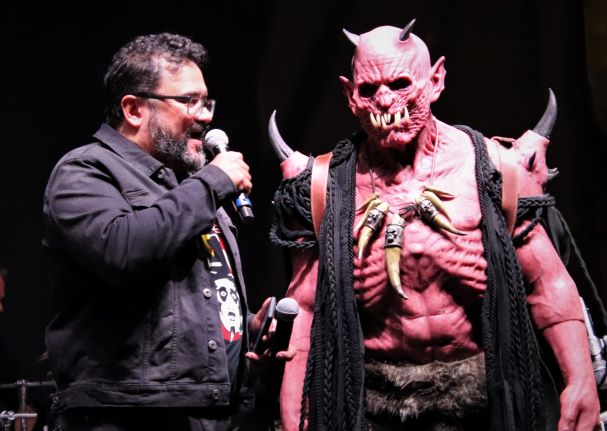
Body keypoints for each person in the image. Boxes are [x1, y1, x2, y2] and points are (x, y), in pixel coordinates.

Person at [269, 22, 602, 430]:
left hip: (484, 402)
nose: (384, 101)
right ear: (349, 96)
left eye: (400, 83)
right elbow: (304, 306)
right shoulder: (325, 188)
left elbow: (547, 283)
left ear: (436, 80)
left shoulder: (493, 170)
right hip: (375, 407)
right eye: (368, 89)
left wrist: (580, 379)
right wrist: (294, 412)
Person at [43, 32, 292, 431]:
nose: (205, 116)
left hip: (209, 411)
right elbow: (124, 249)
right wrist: (213, 183)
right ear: (134, 109)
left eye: (206, 102)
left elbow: (188, 299)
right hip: (126, 415)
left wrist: (245, 327)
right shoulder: (85, 171)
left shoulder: (187, 185)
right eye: (189, 101)